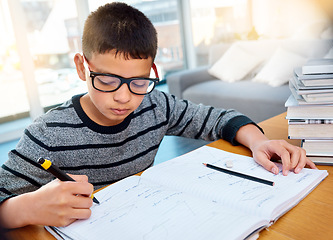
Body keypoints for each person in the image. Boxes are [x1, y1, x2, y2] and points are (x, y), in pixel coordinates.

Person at [0, 2, 316, 229]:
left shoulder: (155, 107)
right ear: (83, 66)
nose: (124, 96)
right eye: (107, 81)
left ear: (152, 71)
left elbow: (219, 118)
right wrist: (24, 208)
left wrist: (258, 142)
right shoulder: (47, 135)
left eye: (139, 82)